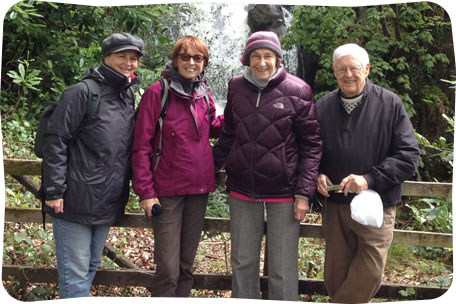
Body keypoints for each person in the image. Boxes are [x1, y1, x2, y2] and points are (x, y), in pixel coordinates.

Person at [213, 31, 322, 300]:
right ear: (247, 59)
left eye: (268, 56)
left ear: (278, 59)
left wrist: (303, 193)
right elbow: (229, 134)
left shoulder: (298, 90)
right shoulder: (236, 86)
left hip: (284, 193)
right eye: (256, 56)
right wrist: (210, 168)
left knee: (283, 267)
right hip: (241, 189)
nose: (262, 62)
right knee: (241, 262)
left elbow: (312, 145)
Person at [315, 43, 420, 303]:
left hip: (377, 202)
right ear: (334, 71)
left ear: (367, 69)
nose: (348, 74)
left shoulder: (390, 103)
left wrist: (368, 179)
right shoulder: (322, 107)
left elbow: (409, 155)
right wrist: (317, 173)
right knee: (335, 273)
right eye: (342, 69)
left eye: (354, 68)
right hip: (337, 204)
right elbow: (309, 150)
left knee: (371, 270)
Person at [42, 33, 144, 298]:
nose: (128, 63)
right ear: (106, 57)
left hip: (106, 200)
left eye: (133, 58)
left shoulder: (127, 94)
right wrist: (54, 191)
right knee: (74, 274)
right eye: (122, 56)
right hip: (74, 199)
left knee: (90, 266)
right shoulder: (82, 92)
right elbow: (56, 140)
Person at [131, 35, 223, 297]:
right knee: (168, 269)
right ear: (175, 59)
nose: (191, 62)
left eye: (198, 58)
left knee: (185, 267)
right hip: (167, 191)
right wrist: (146, 193)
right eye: (185, 57)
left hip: (199, 188)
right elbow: (141, 147)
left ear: (205, 63)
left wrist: (240, 113)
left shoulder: (204, 94)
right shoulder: (157, 93)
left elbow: (213, 128)